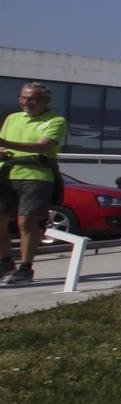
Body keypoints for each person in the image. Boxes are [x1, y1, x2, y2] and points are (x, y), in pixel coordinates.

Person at [0, 82, 68, 285]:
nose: (25, 102)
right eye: (22, 98)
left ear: (45, 101)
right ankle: (4, 261)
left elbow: (43, 146)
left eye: (32, 99)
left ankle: (25, 267)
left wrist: (7, 144)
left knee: (26, 222)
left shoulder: (56, 120)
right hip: (8, 173)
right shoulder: (12, 118)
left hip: (36, 175)